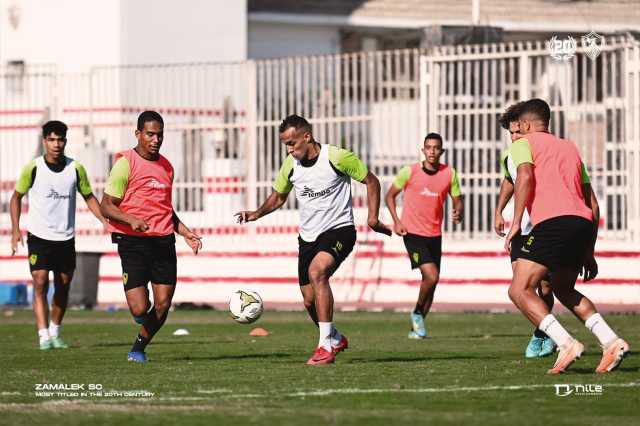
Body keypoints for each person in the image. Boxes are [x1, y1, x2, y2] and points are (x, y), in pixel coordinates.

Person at [235, 114, 391, 365]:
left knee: (318, 272)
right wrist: (255, 214)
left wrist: (373, 218)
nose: (289, 149)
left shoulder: (337, 157)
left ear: (306, 137)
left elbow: (371, 181)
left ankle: (324, 347)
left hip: (340, 230)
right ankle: (336, 337)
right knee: (309, 300)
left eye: (292, 143)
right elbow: (278, 197)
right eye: (285, 144)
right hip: (308, 238)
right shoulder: (291, 165)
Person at [505, 98, 629, 374]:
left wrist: (515, 223)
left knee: (519, 289)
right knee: (563, 288)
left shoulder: (521, 145)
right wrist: (589, 250)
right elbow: (593, 205)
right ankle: (611, 341)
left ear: (524, 124)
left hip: (553, 224)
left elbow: (523, 177)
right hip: (581, 225)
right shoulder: (570, 148)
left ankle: (565, 343)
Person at [100, 111, 202, 363]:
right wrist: (131, 219)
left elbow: (165, 209)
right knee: (138, 308)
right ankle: (142, 323)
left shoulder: (167, 167)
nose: (155, 139)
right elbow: (106, 205)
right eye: (150, 134)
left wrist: (185, 231)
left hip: (163, 241)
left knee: (163, 304)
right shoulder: (126, 162)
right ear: (138, 134)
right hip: (132, 242)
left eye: (159, 134)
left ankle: (138, 348)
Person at [10, 120, 106, 350]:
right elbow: (16, 197)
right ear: (44, 141)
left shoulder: (75, 169)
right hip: (39, 236)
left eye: (60, 139)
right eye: (51, 140)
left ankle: (55, 331)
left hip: (65, 238)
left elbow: (89, 197)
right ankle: (43, 335)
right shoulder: (33, 168)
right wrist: (15, 229)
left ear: (65, 141)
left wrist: (104, 220)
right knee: (40, 281)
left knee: (63, 285)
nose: (56, 144)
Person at [385, 132, 463, 339]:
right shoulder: (408, 172)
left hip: (434, 234)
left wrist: (458, 211)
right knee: (431, 275)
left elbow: (457, 199)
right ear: (423, 150)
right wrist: (397, 221)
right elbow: (389, 196)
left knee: (432, 282)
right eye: (428, 147)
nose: (432, 151)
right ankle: (417, 313)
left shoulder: (449, 174)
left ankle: (417, 329)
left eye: (436, 148)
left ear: (442, 151)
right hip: (412, 233)